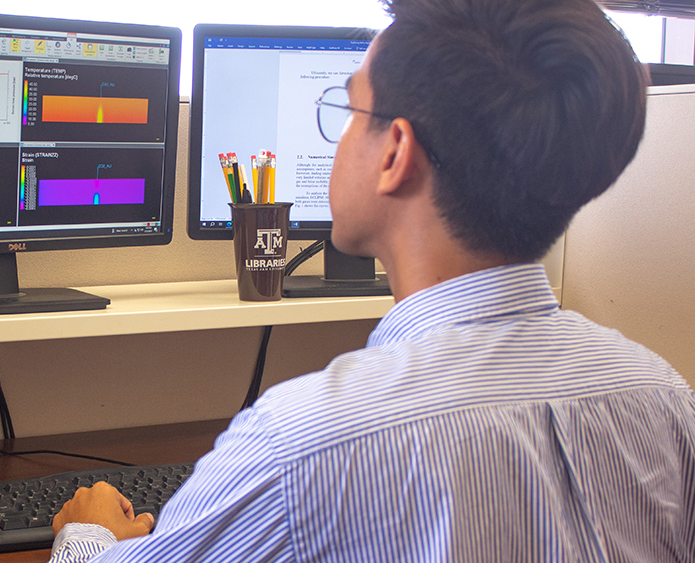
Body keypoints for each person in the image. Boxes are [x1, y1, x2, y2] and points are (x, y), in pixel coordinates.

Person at [48, 0, 695, 560]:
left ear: (395, 154)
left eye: (348, 108)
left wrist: (90, 534)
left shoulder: (304, 441)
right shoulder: (663, 399)